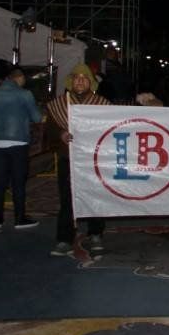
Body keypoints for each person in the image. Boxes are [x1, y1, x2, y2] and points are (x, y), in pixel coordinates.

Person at [45, 64, 111, 256]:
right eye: (76, 77)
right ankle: (64, 239)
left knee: (95, 196)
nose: (80, 81)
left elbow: (111, 130)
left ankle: (96, 233)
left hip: (94, 159)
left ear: (91, 82)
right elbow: (49, 132)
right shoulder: (58, 106)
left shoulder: (102, 105)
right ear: (71, 81)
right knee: (67, 198)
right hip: (69, 158)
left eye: (84, 78)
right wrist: (61, 134)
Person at [0, 67, 43, 230]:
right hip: (18, 141)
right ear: (20, 78)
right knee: (18, 182)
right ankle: (19, 218)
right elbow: (37, 117)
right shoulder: (25, 94)